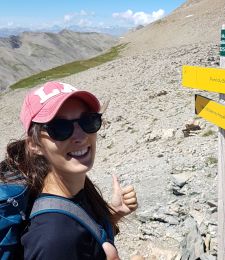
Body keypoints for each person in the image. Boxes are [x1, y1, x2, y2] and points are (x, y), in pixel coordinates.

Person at [0, 81, 137, 259]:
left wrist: (113, 213)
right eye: (60, 128)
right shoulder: (54, 240)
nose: (80, 136)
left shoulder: (74, 190)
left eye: (88, 121)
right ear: (34, 145)